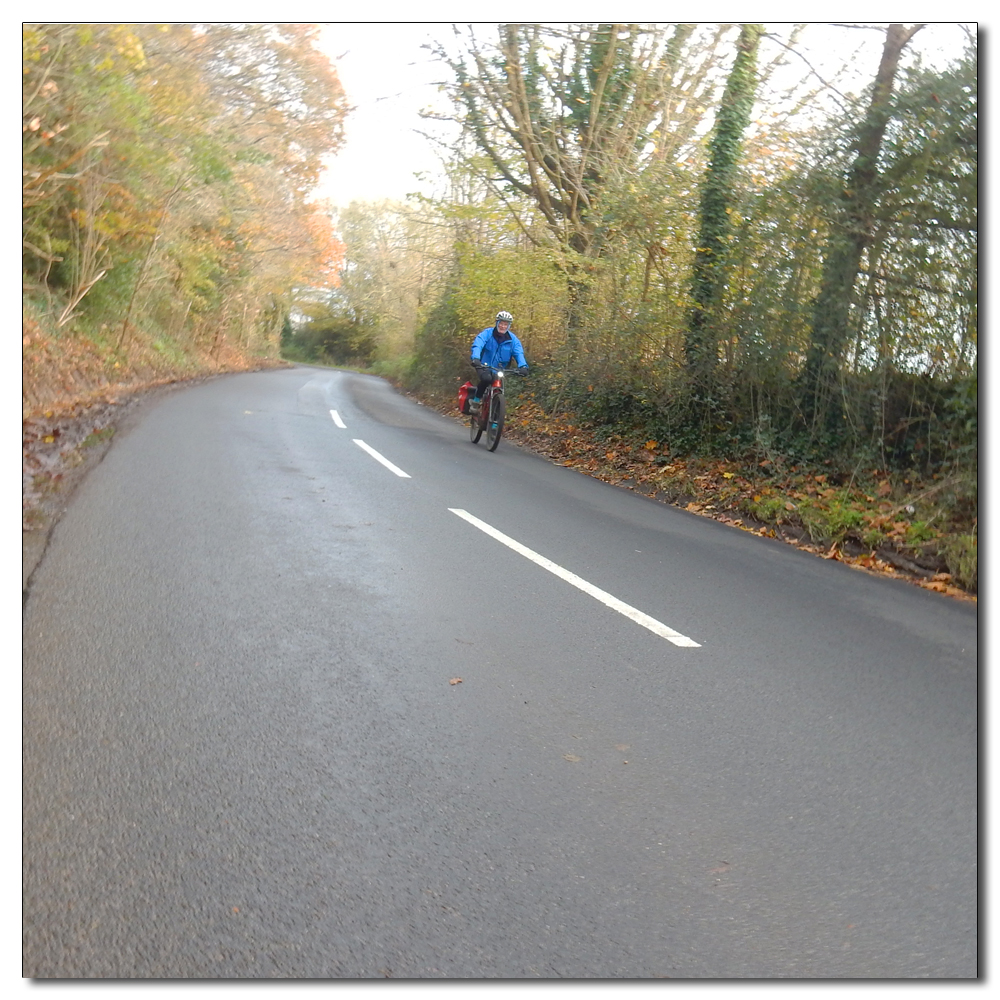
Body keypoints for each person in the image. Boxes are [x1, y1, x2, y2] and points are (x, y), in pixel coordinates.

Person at [469, 310, 529, 407]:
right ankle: (476, 400)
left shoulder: (513, 340)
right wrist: (475, 358)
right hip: (484, 365)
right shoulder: (487, 333)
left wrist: (523, 366)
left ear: (509, 326)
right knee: (486, 379)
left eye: (506, 324)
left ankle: (496, 414)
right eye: (501, 323)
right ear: (497, 323)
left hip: (500, 369)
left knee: (500, 386)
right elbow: (478, 345)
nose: (503, 326)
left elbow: (519, 353)